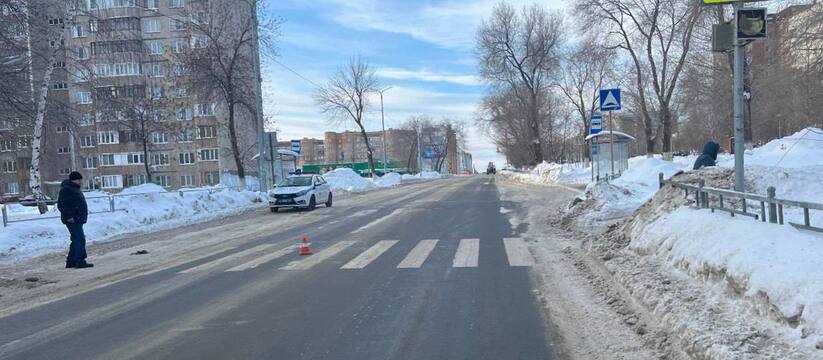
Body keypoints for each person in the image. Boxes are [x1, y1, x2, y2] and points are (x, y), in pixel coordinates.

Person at [57, 171, 93, 269]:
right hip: (72, 219)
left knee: (76, 239)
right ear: (73, 180)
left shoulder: (74, 189)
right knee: (80, 239)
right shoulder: (67, 190)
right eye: (78, 180)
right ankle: (80, 260)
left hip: (77, 218)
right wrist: (69, 216)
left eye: (80, 180)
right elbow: (62, 205)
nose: (80, 182)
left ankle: (71, 261)